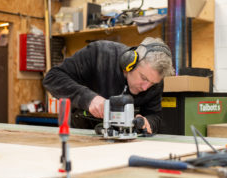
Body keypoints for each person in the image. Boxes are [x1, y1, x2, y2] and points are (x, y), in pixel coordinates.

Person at [43, 37, 174, 134]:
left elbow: (155, 115)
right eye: (143, 78)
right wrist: (89, 98)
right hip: (82, 135)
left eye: (152, 83)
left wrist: (147, 122)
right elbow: (52, 78)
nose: (146, 87)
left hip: (125, 143)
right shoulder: (100, 54)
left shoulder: (155, 81)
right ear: (129, 62)